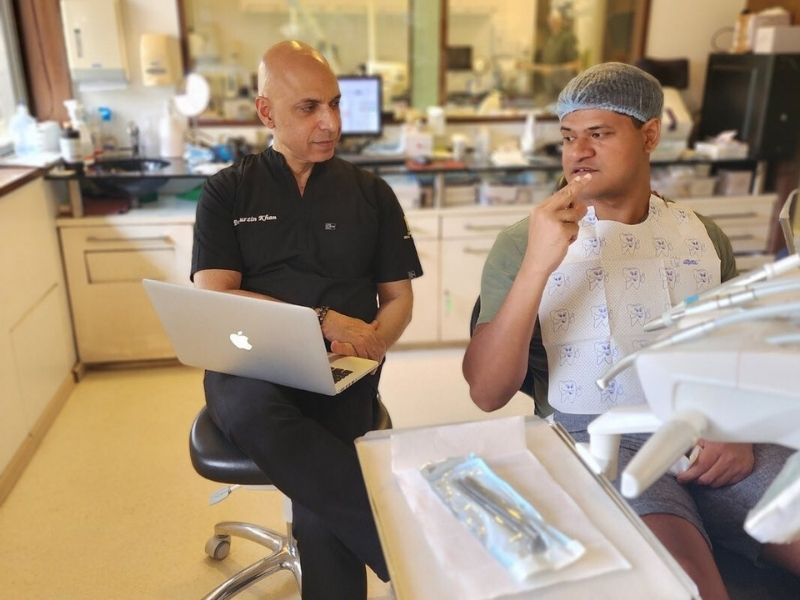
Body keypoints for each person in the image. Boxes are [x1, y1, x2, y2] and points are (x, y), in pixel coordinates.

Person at [463, 62, 800, 599]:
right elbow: (486, 391)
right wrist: (537, 265)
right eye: (569, 137)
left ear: (649, 134)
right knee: (689, 589)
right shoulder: (524, 241)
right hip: (599, 440)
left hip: (705, 434)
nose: (578, 152)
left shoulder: (701, 237)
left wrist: (734, 427)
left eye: (598, 135)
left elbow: (736, 353)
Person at [191, 40, 422, 599]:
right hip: (248, 365)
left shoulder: (371, 194)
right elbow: (215, 294)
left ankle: (399, 552)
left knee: (321, 498)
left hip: (342, 370)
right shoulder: (227, 192)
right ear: (266, 112)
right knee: (265, 418)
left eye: (336, 104)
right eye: (310, 107)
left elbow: (398, 298)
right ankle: (409, 547)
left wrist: (371, 348)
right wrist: (319, 320)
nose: (331, 122)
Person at [520, 9, 580, 105]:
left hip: (562, 88)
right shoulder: (551, 38)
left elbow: (575, 64)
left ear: (560, 21)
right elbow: (546, 67)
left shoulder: (567, 38)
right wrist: (529, 66)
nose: (552, 23)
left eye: (555, 20)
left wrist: (554, 70)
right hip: (550, 88)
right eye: (551, 20)